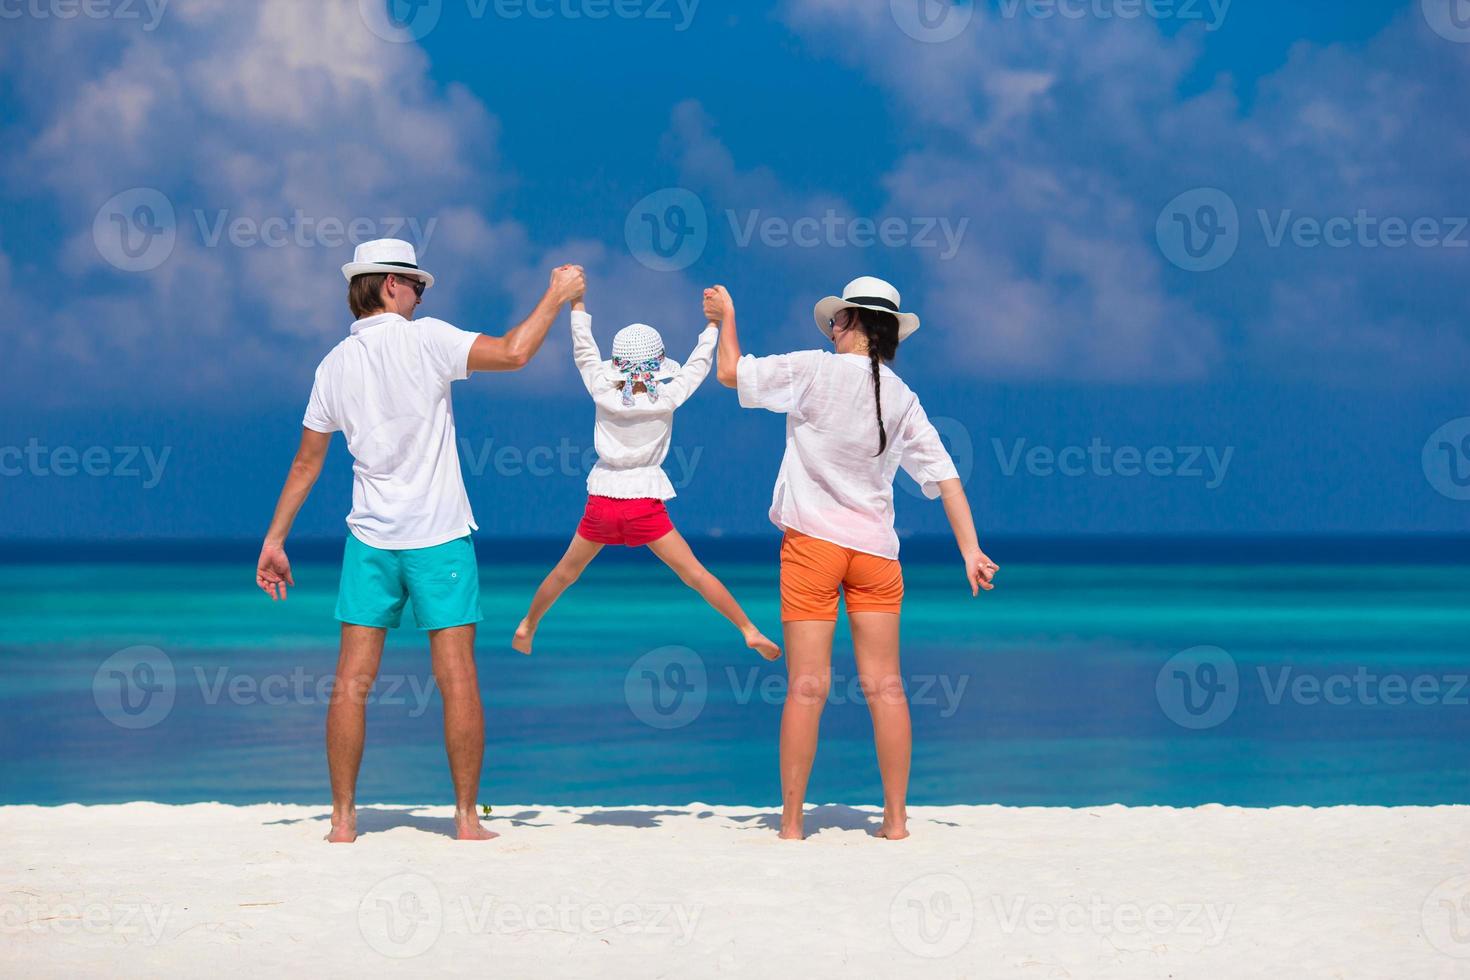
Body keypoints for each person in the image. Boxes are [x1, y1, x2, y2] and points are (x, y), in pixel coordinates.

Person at [254, 238, 585, 843]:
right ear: (389, 286)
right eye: (417, 286)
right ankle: (464, 821)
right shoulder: (426, 339)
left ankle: (343, 822)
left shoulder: (332, 365)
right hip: (438, 538)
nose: (422, 295)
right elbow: (514, 354)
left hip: (369, 541)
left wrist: (276, 539)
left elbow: (306, 464)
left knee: (352, 679)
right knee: (456, 676)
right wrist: (557, 296)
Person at [706, 276, 999, 841]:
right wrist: (971, 551)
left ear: (854, 323)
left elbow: (729, 372)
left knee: (807, 686)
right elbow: (945, 477)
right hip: (876, 555)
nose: (831, 327)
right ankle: (894, 823)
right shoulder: (904, 398)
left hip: (812, 546)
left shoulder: (813, 370)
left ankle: (791, 825)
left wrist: (726, 316)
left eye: (837, 319)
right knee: (886, 687)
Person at [511, 286, 781, 662]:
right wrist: (711, 325)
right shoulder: (667, 397)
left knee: (564, 574)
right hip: (643, 504)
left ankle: (528, 624)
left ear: (617, 362)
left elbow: (584, 350)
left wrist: (578, 304)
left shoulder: (600, 389)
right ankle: (748, 630)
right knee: (695, 576)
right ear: (657, 363)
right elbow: (698, 366)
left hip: (603, 502)